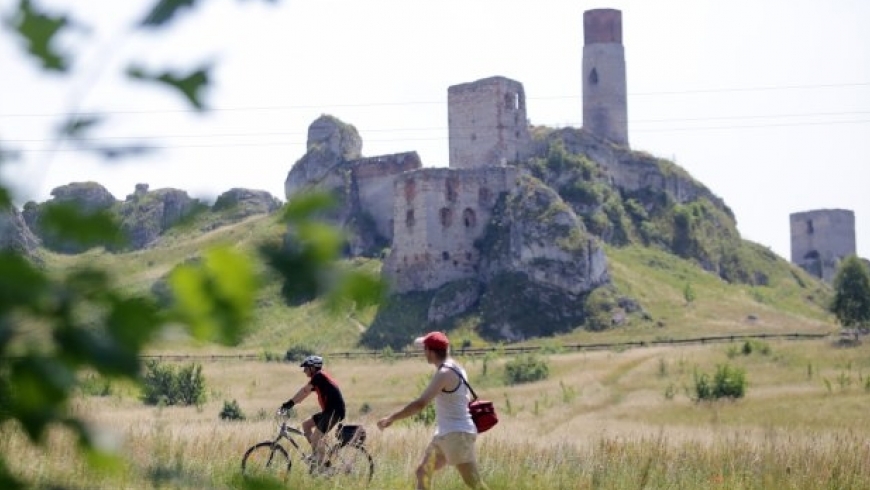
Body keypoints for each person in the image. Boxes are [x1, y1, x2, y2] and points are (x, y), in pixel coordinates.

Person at [377, 332, 488, 490]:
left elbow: (420, 404)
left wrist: (391, 418)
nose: (423, 353)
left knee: (475, 483)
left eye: (424, 349)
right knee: (423, 472)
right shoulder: (456, 368)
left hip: (456, 434)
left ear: (430, 351)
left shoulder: (444, 374)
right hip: (446, 434)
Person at [280, 355, 346, 464]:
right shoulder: (318, 379)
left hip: (334, 412)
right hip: (329, 412)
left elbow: (304, 390)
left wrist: (289, 404)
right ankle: (318, 456)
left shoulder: (319, 376)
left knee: (316, 437)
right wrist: (291, 404)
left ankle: (322, 462)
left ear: (313, 368)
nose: (304, 371)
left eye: (306, 368)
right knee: (306, 425)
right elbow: (304, 394)